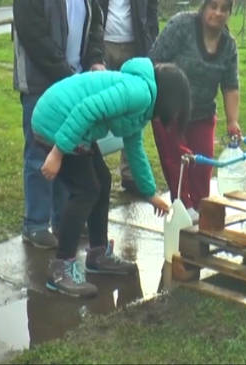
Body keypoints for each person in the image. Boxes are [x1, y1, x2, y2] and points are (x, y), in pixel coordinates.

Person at [32, 58, 186, 297]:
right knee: (86, 190)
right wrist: (57, 152)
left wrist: (150, 193)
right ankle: (61, 267)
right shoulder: (139, 93)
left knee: (101, 180)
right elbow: (86, 109)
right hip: (55, 120)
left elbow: (134, 148)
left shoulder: (143, 102)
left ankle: (98, 254)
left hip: (70, 125)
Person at [13, 0, 105, 249]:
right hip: (40, 86)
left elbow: (96, 28)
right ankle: (36, 223)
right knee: (39, 154)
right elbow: (34, 37)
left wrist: (95, 61)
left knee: (69, 152)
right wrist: (67, 76)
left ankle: (62, 219)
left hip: (75, 83)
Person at [77, 0, 159, 193]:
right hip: (100, 43)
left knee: (134, 110)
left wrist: (151, 40)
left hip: (135, 45)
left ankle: (130, 173)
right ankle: (93, 170)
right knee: (97, 108)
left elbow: (151, 2)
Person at [149, 0, 241, 218]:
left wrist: (233, 122)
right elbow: (153, 62)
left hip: (202, 113)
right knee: (178, 165)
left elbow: (230, 86)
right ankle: (184, 213)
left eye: (224, 9)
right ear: (204, 7)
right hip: (169, 110)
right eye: (213, 6)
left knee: (202, 167)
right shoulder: (182, 26)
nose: (218, 13)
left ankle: (201, 212)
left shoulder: (228, 45)